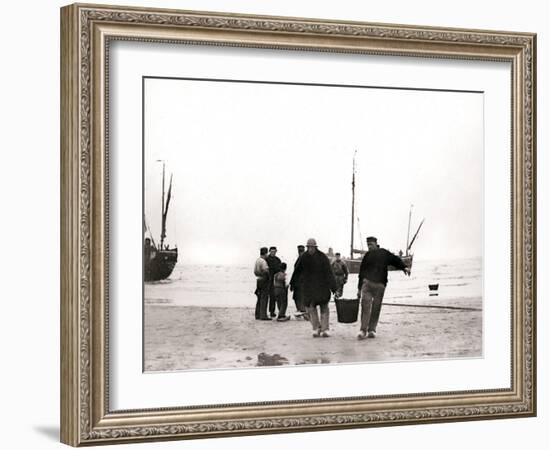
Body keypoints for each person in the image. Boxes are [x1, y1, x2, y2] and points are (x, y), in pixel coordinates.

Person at [357, 236, 411, 340]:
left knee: (376, 308)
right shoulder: (367, 256)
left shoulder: (384, 253)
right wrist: (359, 289)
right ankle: (363, 330)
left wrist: (404, 267)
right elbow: (361, 273)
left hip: (380, 285)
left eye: (371, 245)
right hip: (367, 284)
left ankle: (372, 330)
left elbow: (395, 260)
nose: (369, 247)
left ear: (376, 244)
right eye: (368, 245)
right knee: (365, 307)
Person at [292, 238, 337, 338]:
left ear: (315, 247)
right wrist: (293, 284)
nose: (310, 249)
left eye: (312, 247)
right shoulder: (303, 257)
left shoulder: (322, 257)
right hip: (309, 288)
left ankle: (325, 329)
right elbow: (297, 271)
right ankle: (316, 328)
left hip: (322, 287)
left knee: (324, 308)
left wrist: (334, 288)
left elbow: (329, 273)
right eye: (309, 247)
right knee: (311, 309)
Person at [290, 244, 307, 318]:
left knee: (298, 297)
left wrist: (291, 283)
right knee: (299, 297)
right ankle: (302, 311)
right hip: (302, 282)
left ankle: (302, 311)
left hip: (299, 282)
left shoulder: (301, 259)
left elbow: (295, 272)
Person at [254, 247, 271, 320]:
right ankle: (263, 315)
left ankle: (257, 314)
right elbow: (266, 271)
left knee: (259, 297)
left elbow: (255, 271)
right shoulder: (263, 261)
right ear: (265, 253)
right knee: (264, 297)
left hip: (258, 279)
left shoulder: (257, 260)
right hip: (264, 280)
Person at [266, 246, 282, 318]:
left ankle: (277, 311)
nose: (273, 253)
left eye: (274, 251)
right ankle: (271, 311)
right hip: (269, 280)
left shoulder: (278, 259)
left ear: (276, 252)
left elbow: (280, 269)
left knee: (276, 296)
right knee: (271, 296)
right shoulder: (267, 259)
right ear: (270, 251)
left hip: (276, 279)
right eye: (272, 251)